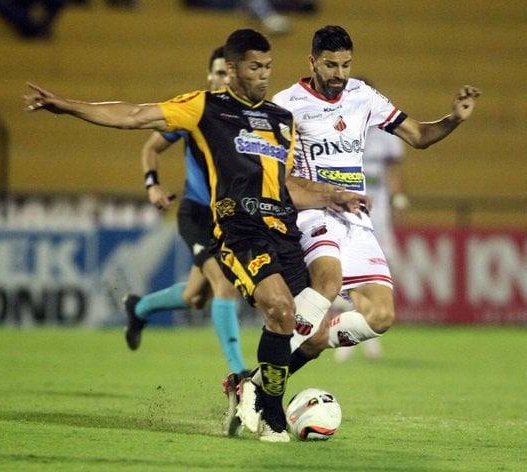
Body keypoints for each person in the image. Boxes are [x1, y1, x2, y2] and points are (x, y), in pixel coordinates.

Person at [23, 28, 368, 442]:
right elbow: (134, 115)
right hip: (239, 229)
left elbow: (288, 186)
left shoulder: (282, 121)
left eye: (269, 67)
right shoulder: (205, 108)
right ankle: (273, 418)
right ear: (233, 69)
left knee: (302, 326)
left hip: (282, 230)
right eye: (255, 67)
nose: (263, 76)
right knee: (278, 308)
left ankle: (248, 390)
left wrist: (333, 195)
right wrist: (66, 106)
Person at [235, 25, 481, 432]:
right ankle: (267, 399)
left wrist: (454, 118)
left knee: (379, 316)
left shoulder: (362, 97)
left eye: (346, 64)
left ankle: (254, 385)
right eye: (330, 65)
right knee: (328, 282)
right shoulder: (286, 105)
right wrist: (319, 194)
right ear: (312, 62)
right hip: (313, 213)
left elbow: (418, 136)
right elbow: (273, 176)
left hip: (356, 219)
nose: (339, 73)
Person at [121, 47, 250, 414]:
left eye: (229, 74)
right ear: (209, 77)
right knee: (224, 287)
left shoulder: (252, 118)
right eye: (218, 73)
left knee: (196, 297)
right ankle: (239, 373)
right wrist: (152, 185)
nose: (223, 80)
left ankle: (140, 306)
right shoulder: (196, 114)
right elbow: (151, 147)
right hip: (196, 215)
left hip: (229, 219)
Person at [334, 78, 408, 362]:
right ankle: (351, 335)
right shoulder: (339, 129)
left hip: (381, 216)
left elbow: (394, 171)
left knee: (385, 273)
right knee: (348, 275)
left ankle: (366, 328)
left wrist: (399, 198)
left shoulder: (386, 132)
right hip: (349, 213)